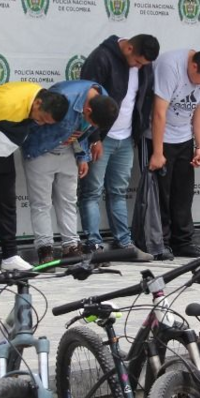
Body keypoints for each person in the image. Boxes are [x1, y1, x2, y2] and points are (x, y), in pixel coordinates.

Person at [0, 83, 70, 274]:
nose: (40, 123)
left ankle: (10, 256)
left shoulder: (37, 96)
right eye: (41, 118)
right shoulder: (5, 102)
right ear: (38, 103)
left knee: (7, 205)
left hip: (5, 150)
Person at [21, 80, 119, 264]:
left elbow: (86, 132)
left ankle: (71, 247)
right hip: (41, 149)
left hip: (68, 151)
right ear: (87, 110)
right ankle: (45, 249)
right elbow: (32, 121)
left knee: (68, 201)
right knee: (41, 203)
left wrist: (82, 156)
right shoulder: (63, 96)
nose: (90, 125)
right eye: (91, 121)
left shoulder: (103, 99)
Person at [77, 34, 159, 252]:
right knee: (92, 191)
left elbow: (144, 99)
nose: (139, 67)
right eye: (138, 62)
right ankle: (94, 243)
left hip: (127, 137)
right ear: (129, 48)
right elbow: (88, 99)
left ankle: (124, 242)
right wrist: (94, 138)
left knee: (118, 191)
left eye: (144, 65)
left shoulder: (144, 66)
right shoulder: (101, 58)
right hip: (102, 138)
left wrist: (138, 131)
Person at [144, 49, 200, 257]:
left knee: (183, 193)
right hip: (160, 137)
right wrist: (158, 152)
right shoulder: (170, 66)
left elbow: (199, 110)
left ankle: (182, 241)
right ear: (194, 66)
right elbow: (158, 112)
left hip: (184, 137)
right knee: (161, 193)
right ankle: (160, 242)